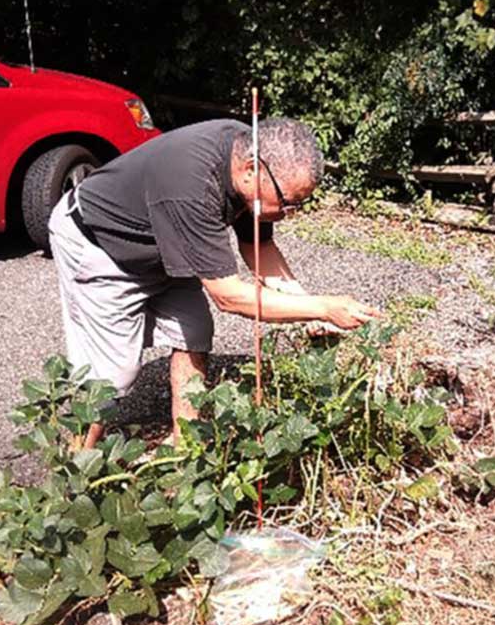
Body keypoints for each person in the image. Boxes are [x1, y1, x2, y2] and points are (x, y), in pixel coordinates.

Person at [48, 117, 380, 446]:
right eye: (288, 202)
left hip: (163, 241)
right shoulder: (192, 185)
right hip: (102, 244)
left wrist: (307, 305)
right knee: (111, 374)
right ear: (251, 170)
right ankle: (77, 465)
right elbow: (228, 296)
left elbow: (259, 246)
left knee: (193, 333)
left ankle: (186, 450)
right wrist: (323, 308)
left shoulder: (250, 158)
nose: (288, 213)